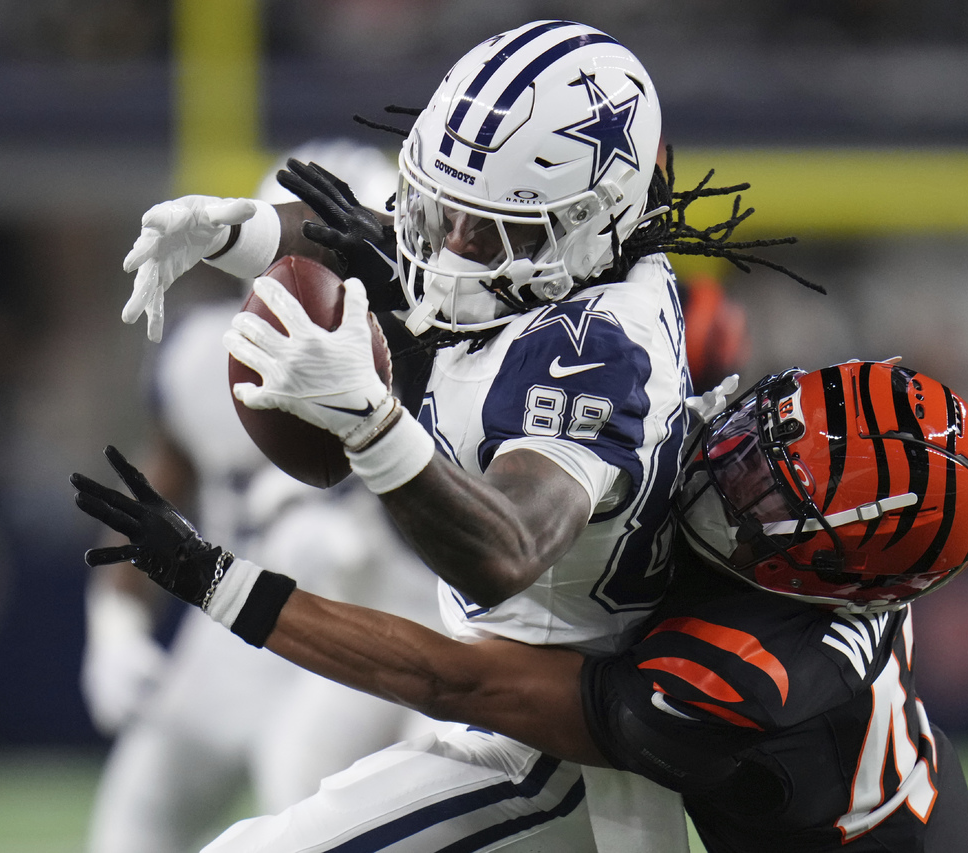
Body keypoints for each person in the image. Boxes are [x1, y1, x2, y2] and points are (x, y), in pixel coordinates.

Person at [111, 19, 816, 853]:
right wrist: (240, 233)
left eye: (488, 227)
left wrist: (371, 424)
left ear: (591, 224)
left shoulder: (597, 355)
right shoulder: (552, 268)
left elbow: (506, 546)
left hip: (555, 757)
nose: (453, 247)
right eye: (447, 209)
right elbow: (384, 240)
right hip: (499, 704)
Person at [72, 358, 968, 853]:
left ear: (835, 576)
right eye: (765, 432)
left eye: (782, 500)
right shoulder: (838, 559)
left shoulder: (741, 675)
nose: (738, 468)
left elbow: (450, 677)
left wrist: (218, 580)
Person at [82, 140, 444, 853]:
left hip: (355, 632)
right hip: (228, 628)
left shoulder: (429, 363)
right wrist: (113, 626)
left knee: (306, 800)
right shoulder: (196, 358)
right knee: (135, 816)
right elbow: (154, 495)